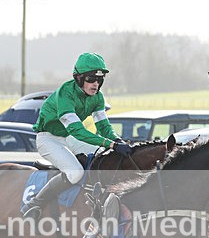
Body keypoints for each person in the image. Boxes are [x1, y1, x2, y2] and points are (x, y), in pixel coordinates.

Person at [22, 52, 133, 220]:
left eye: (99, 80)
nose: (96, 84)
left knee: (107, 156)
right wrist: (111, 144)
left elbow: (103, 127)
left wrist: (117, 141)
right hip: (48, 139)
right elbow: (77, 131)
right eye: (91, 79)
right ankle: (35, 204)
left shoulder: (98, 97)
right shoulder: (65, 94)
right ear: (79, 78)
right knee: (76, 173)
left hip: (69, 137)